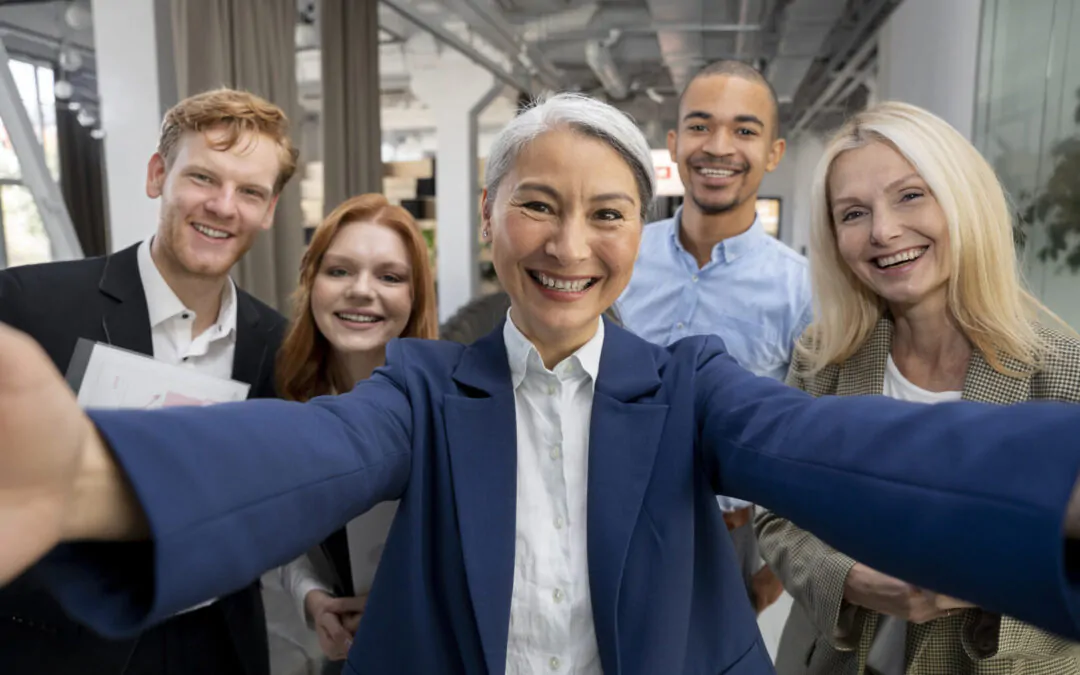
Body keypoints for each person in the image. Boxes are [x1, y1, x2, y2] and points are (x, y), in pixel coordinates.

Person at [3, 94, 1080, 675]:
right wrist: (90, 474)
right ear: (488, 219)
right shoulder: (426, 386)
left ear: (637, 231)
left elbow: (830, 450)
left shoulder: (693, 385)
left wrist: (1060, 490)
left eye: (607, 213)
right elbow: (314, 451)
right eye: (537, 206)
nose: (570, 245)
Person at [755, 101, 1080, 675]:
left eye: (910, 195)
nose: (883, 231)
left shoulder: (1063, 372)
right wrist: (850, 578)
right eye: (853, 213)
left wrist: (985, 579)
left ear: (962, 198)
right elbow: (777, 519)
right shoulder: (823, 358)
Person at [0, 87, 296, 675]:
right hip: (65, 647)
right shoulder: (28, 306)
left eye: (250, 192)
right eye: (204, 179)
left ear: (268, 211)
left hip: (219, 645)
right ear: (158, 174)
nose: (223, 206)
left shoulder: (278, 344)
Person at [617, 60, 809, 613]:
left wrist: (771, 577)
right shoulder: (622, 253)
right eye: (700, 126)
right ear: (675, 145)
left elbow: (810, 438)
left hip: (730, 534)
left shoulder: (799, 291)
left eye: (745, 130)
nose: (719, 146)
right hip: (610, 510)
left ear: (774, 153)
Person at [273, 193, 437, 672]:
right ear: (312, 283)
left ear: (415, 295)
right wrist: (313, 598)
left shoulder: (451, 407)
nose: (362, 291)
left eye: (389, 276)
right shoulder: (290, 399)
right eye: (340, 271)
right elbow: (286, 534)